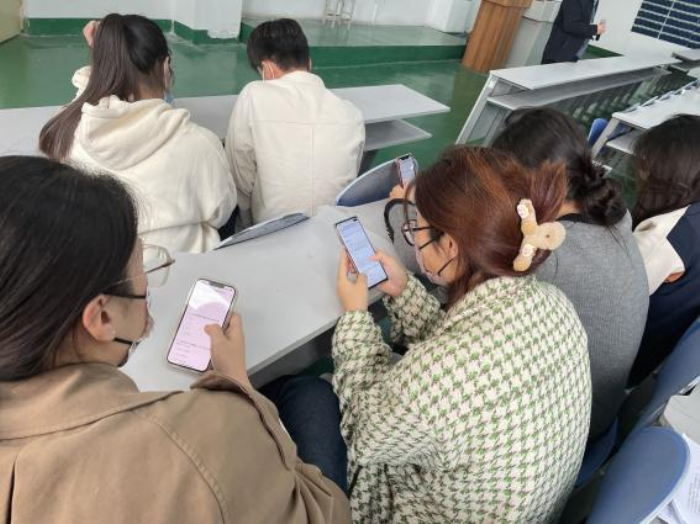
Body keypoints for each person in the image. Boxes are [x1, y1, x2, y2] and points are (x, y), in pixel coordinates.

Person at [0, 156, 350, 524]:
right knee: (310, 395)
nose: (148, 282)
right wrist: (239, 387)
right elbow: (326, 514)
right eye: (142, 270)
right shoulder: (203, 434)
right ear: (101, 318)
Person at [333, 147, 592, 523]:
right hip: (523, 507)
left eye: (416, 227)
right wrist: (403, 291)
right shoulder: (555, 303)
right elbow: (459, 353)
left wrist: (355, 317)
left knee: (305, 396)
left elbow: (363, 433)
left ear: (451, 245)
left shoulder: (441, 375)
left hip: (419, 508)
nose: (413, 236)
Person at [492, 108, 648, 440]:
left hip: (566, 427)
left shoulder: (550, 254)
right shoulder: (615, 214)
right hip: (600, 405)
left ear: (532, 184)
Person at [39, 15, 236, 254]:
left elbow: (86, 96)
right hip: (176, 265)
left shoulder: (65, 125)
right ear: (165, 66)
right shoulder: (200, 143)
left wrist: (104, 54)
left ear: (101, 66)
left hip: (96, 264)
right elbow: (221, 212)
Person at [226, 19, 365, 228]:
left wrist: (245, 222)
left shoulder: (253, 95)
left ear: (266, 69)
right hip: (334, 230)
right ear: (309, 63)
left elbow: (240, 179)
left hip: (272, 231)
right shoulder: (351, 112)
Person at [628, 115, 700, 386]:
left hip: (618, 360)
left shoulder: (665, 236)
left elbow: (606, 295)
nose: (641, 172)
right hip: (655, 352)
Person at [542, 0, 606, 64]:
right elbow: (570, 25)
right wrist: (594, 29)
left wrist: (596, 29)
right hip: (558, 53)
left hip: (575, 51)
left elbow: (584, 22)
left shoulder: (595, 1)